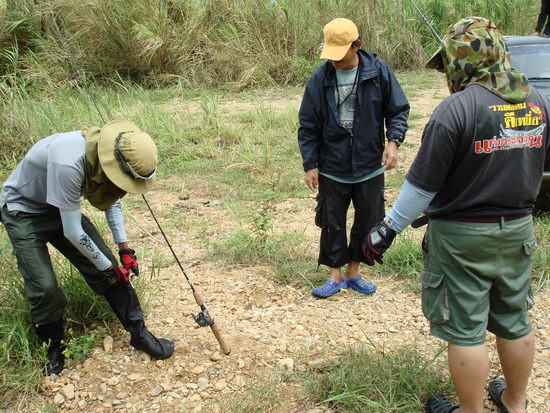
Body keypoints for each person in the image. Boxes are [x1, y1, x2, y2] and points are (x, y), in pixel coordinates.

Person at [364, 17, 549, 413]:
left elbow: (422, 187)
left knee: (465, 331)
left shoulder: (457, 109)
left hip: (463, 237)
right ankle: (515, 402)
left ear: (461, 62)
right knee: (515, 320)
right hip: (517, 230)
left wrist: (388, 228)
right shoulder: (538, 101)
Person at [0, 120, 175, 375]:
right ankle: (52, 348)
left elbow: (113, 198)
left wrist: (123, 250)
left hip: (60, 207)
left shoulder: (109, 157)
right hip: (23, 211)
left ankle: (140, 334)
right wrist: (108, 268)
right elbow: (72, 231)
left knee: (108, 266)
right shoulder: (68, 162)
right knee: (45, 287)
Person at [297, 18, 409, 298]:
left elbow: (397, 110)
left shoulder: (378, 71)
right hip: (332, 166)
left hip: (370, 164)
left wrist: (393, 142)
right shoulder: (320, 78)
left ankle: (353, 273)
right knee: (331, 221)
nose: (334, 61)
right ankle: (334, 276)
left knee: (368, 220)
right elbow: (308, 124)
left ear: (357, 45)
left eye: (341, 53)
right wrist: (311, 164)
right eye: (330, 54)